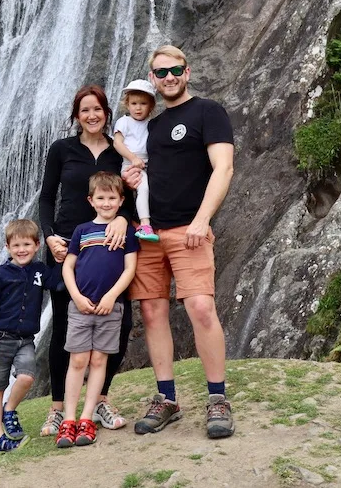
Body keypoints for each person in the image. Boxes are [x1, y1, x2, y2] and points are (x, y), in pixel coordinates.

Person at [122, 44, 236, 440]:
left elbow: (224, 167)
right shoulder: (149, 126)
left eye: (175, 70)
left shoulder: (208, 112)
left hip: (191, 231)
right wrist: (130, 180)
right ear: (152, 79)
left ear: (187, 72)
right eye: (161, 72)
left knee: (202, 308)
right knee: (152, 313)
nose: (168, 77)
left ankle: (218, 398)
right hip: (148, 232)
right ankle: (166, 398)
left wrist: (203, 221)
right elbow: (142, 174)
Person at [39, 85, 135, 436]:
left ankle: (100, 401)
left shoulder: (118, 151)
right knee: (64, 328)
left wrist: (124, 218)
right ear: (76, 116)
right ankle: (56, 407)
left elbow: (132, 194)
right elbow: (47, 197)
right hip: (67, 246)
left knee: (119, 325)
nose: (92, 115)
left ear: (107, 113)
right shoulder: (61, 149)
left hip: (111, 247)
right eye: (85, 110)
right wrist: (48, 235)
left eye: (97, 109)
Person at [55, 172, 139, 447]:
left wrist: (112, 297)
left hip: (110, 308)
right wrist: (76, 296)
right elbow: (67, 267)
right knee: (78, 361)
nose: (106, 203)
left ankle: (87, 417)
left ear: (121, 200)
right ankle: (68, 420)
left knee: (99, 361)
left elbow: (130, 269)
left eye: (112, 198)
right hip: (80, 306)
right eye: (101, 198)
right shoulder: (81, 230)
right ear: (91, 200)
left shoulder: (126, 231)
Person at [0, 219, 59, 453]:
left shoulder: (40, 271)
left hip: (25, 340)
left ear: (37, 245)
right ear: (7, 247)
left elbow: (58, 283)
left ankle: (9, 410)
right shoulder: (0, 275)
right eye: (16, 246)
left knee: (26, 377)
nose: (21, 250)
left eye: (26, 244)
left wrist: (69, 256)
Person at [112, 79, 160, 243]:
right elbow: (117, 143)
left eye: (143, 103)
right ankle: (145, 224)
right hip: (130, 165)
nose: (138, 108)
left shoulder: (152, 124)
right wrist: (133, 158)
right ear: (127, 104)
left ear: (151, 106)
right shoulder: (124, 122)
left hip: (148, 164)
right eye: (134, 103)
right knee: (144, 187)